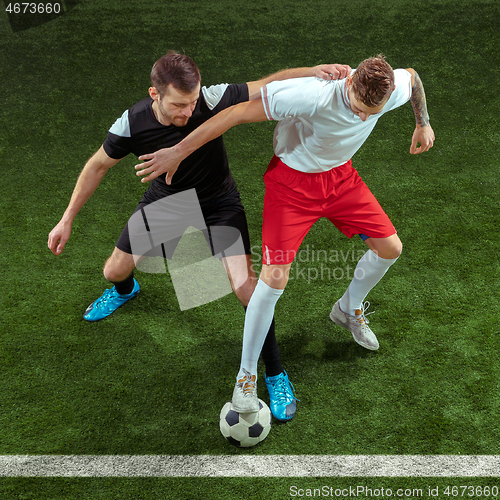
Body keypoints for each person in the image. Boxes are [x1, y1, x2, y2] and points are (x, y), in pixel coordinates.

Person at [48, 50, 350, 421]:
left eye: (192, 103)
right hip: (167, 204)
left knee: (246, 289)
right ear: (155, 94)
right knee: (113, 271)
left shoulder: (208, 98)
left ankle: (275, 373)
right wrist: (67, 219)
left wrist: (311, 71)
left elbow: (265, 85)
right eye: (179, 105)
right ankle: (126, 291)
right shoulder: (132, 123)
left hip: (219, 203)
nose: (188, 113)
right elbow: (97, 166)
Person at [133, 55, 435, 413]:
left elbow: (413, 78)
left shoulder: (390, 88)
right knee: (274, 280)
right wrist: (178, 152)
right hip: (291, 186)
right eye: (359, 109)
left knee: (390, 248)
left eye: (374, 112)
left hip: (340, 179)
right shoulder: (309, 95)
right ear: (349, 85)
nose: (364, 117)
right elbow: (235, 113)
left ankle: (348, 309)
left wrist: (423, 123)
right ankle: (246, 377)